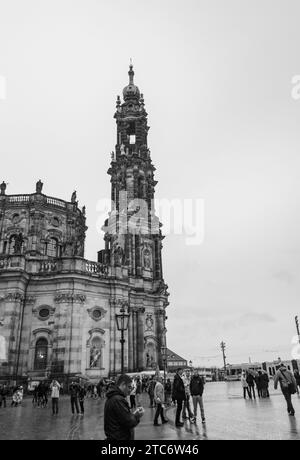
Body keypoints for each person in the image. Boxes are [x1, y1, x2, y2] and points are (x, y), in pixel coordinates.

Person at [104, 374, 144, 440]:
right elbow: (129, 422)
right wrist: (137, 416)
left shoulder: (114, 398)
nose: (130, 390)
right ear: (123, 384)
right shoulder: (118, 400)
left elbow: (122, 418)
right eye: (129, 387)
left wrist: (133, 415)